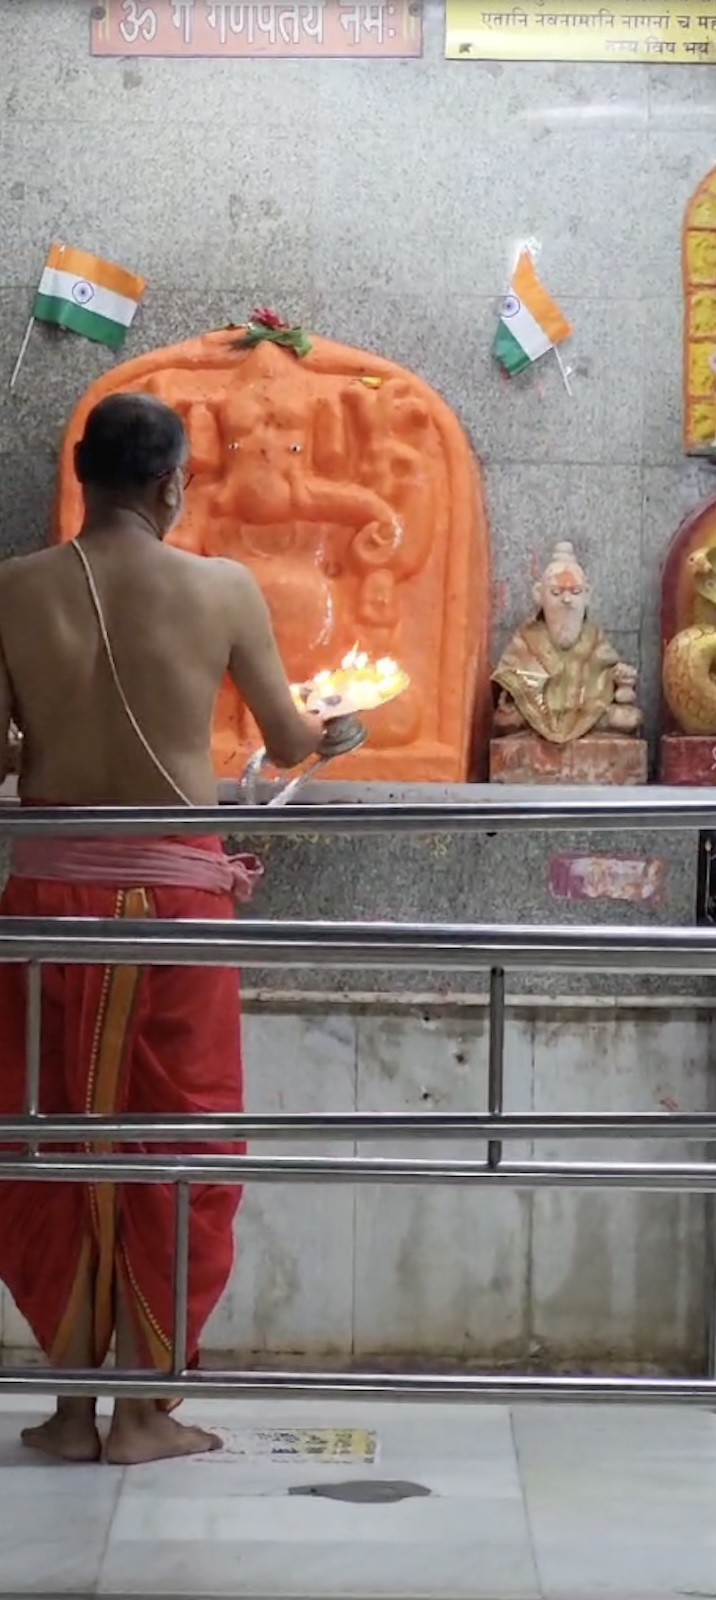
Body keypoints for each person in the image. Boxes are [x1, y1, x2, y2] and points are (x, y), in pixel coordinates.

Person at [0, 392, 325, 1465]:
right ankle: (145, 1410)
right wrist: (334, 727)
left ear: (85, 475)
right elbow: (284, 737)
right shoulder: (220, 587)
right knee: (176, 1142)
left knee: (52, 1143)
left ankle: (69, 1410)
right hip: (176, 910)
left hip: (46, 906)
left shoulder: (12, 590)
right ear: (171, 482)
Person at [492, 540, 642, 745]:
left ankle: (573, 725)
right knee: (505, 719)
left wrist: (621, 677)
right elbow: (510, 674)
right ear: (539, 594)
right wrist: (518, 688)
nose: (567, 601)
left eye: (575, 592)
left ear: (587, 595)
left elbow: (607, 672)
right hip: (538, 713)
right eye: (556, 593)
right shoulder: (526, 638)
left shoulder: (594, 637)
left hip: (586, 711)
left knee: (629, 718)